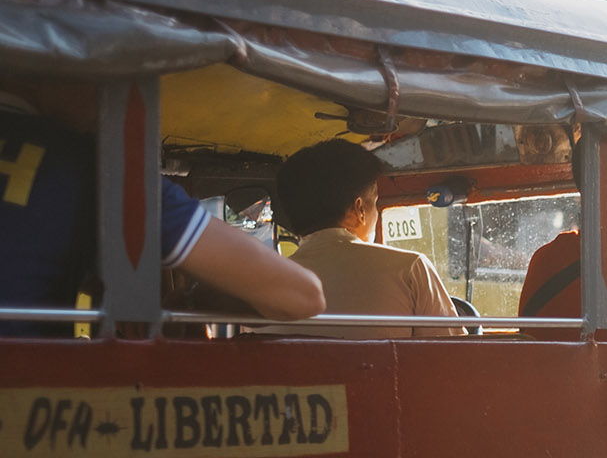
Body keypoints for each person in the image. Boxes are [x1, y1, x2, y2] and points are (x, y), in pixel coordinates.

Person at [0, 86, 325, 336]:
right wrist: (194, 301)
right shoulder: (92, 167)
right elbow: (302, 295)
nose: (111, 94)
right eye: (101, 65)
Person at [268, 139, 463, 338]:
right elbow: (453, 357)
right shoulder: (410, 267)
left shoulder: (263, 286)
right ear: (360, 209)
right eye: (376, 203)